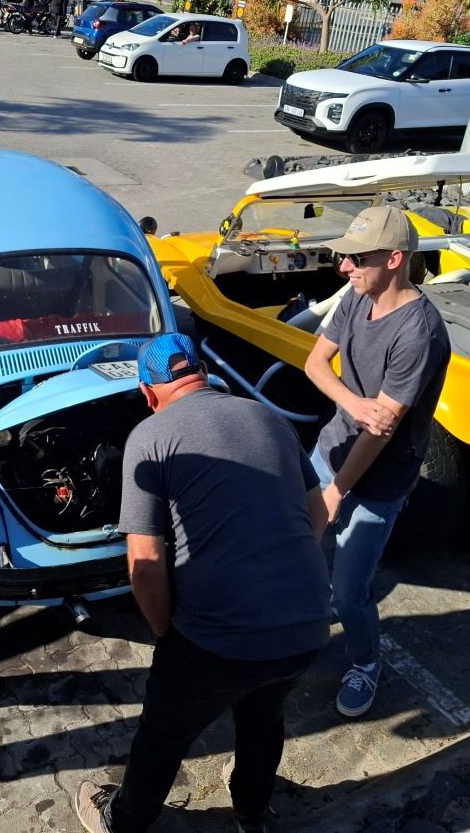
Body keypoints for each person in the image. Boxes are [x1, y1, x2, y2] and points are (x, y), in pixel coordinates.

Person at [75, 333, 331, 833]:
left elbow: (145, 562)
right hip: (307, 624)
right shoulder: (268, 417)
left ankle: (123, 820)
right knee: (263, 718)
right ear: (204, 374)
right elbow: (317, 509)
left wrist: (169, 630)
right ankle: (251, 815)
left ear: (148, 395)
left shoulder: (151, 437)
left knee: (163, 734)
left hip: (217, 639)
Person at [304, 206, 450, 718]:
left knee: (350, 591)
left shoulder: (420, 333)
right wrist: (353, 402)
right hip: (333, 449)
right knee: (305, 550)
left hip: (378, 477)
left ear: (394, 259)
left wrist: (334, 492)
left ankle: (365, 664)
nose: (344, 267)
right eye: (344, 256)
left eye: (356, 258)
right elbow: (313, 362)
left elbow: (381, 432)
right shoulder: (356, 296)